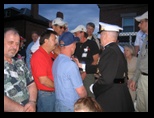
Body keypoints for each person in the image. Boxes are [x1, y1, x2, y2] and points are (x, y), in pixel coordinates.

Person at [91, 22, 135, 112]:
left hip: (111, 94)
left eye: (101, 35)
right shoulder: (117, 49)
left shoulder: (109, 51)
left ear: (106, 35)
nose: (100, 38)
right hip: (119, 91)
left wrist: (94, 87)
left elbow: (107, 79)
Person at [4, 27, 37, 112]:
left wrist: (32, 102)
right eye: (10, 42)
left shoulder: (20, 62)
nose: (15, 47)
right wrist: (23, 110)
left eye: (17, 44)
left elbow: (31, 84)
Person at [52, 32, 87, 112]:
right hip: (70, 106)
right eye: (75, 43)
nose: (75, 46)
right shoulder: (70, 65)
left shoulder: (56, 61)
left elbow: (65, 81)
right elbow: (81, 91)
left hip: (59, 104)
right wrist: (86, 98)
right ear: (72, 46)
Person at [30, 29, 58, 112]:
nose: (56, 42)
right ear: (46, 41)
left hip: (51, 92)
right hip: (46, 95)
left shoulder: (49, 54)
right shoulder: (38, 56)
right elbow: (43, 80)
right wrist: (58, 87)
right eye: (54, 39)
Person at [71, 25, 99, 98]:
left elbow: (95, 60)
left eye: (76, 33)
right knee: (78, 95)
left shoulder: (92, 43)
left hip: (88, 74)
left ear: (82, 33)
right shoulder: (76, 45)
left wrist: (85, 73)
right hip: (77, 73)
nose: (75, 35)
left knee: (89, 95)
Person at [129, 11, 148, 112]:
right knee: (141, 108)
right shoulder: (145, 39)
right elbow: (140, 60)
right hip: (142, 78)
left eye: (141, 22)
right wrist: (135, 79)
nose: (139, 25)